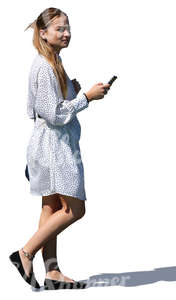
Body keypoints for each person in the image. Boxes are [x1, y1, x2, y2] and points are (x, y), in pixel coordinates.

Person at [9, 7, 110, 290]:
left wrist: (72, 90)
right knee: (74, 209)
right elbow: (53, 114)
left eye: (67, 28)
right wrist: (85, 99)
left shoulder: (55, 60)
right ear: (43, 33)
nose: (66, 33)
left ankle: (52, 272)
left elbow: (50, 105)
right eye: (59, 29)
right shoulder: (43, 66)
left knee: (51, 205)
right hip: (54, 147)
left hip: (51, 145)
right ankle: (25, 253)